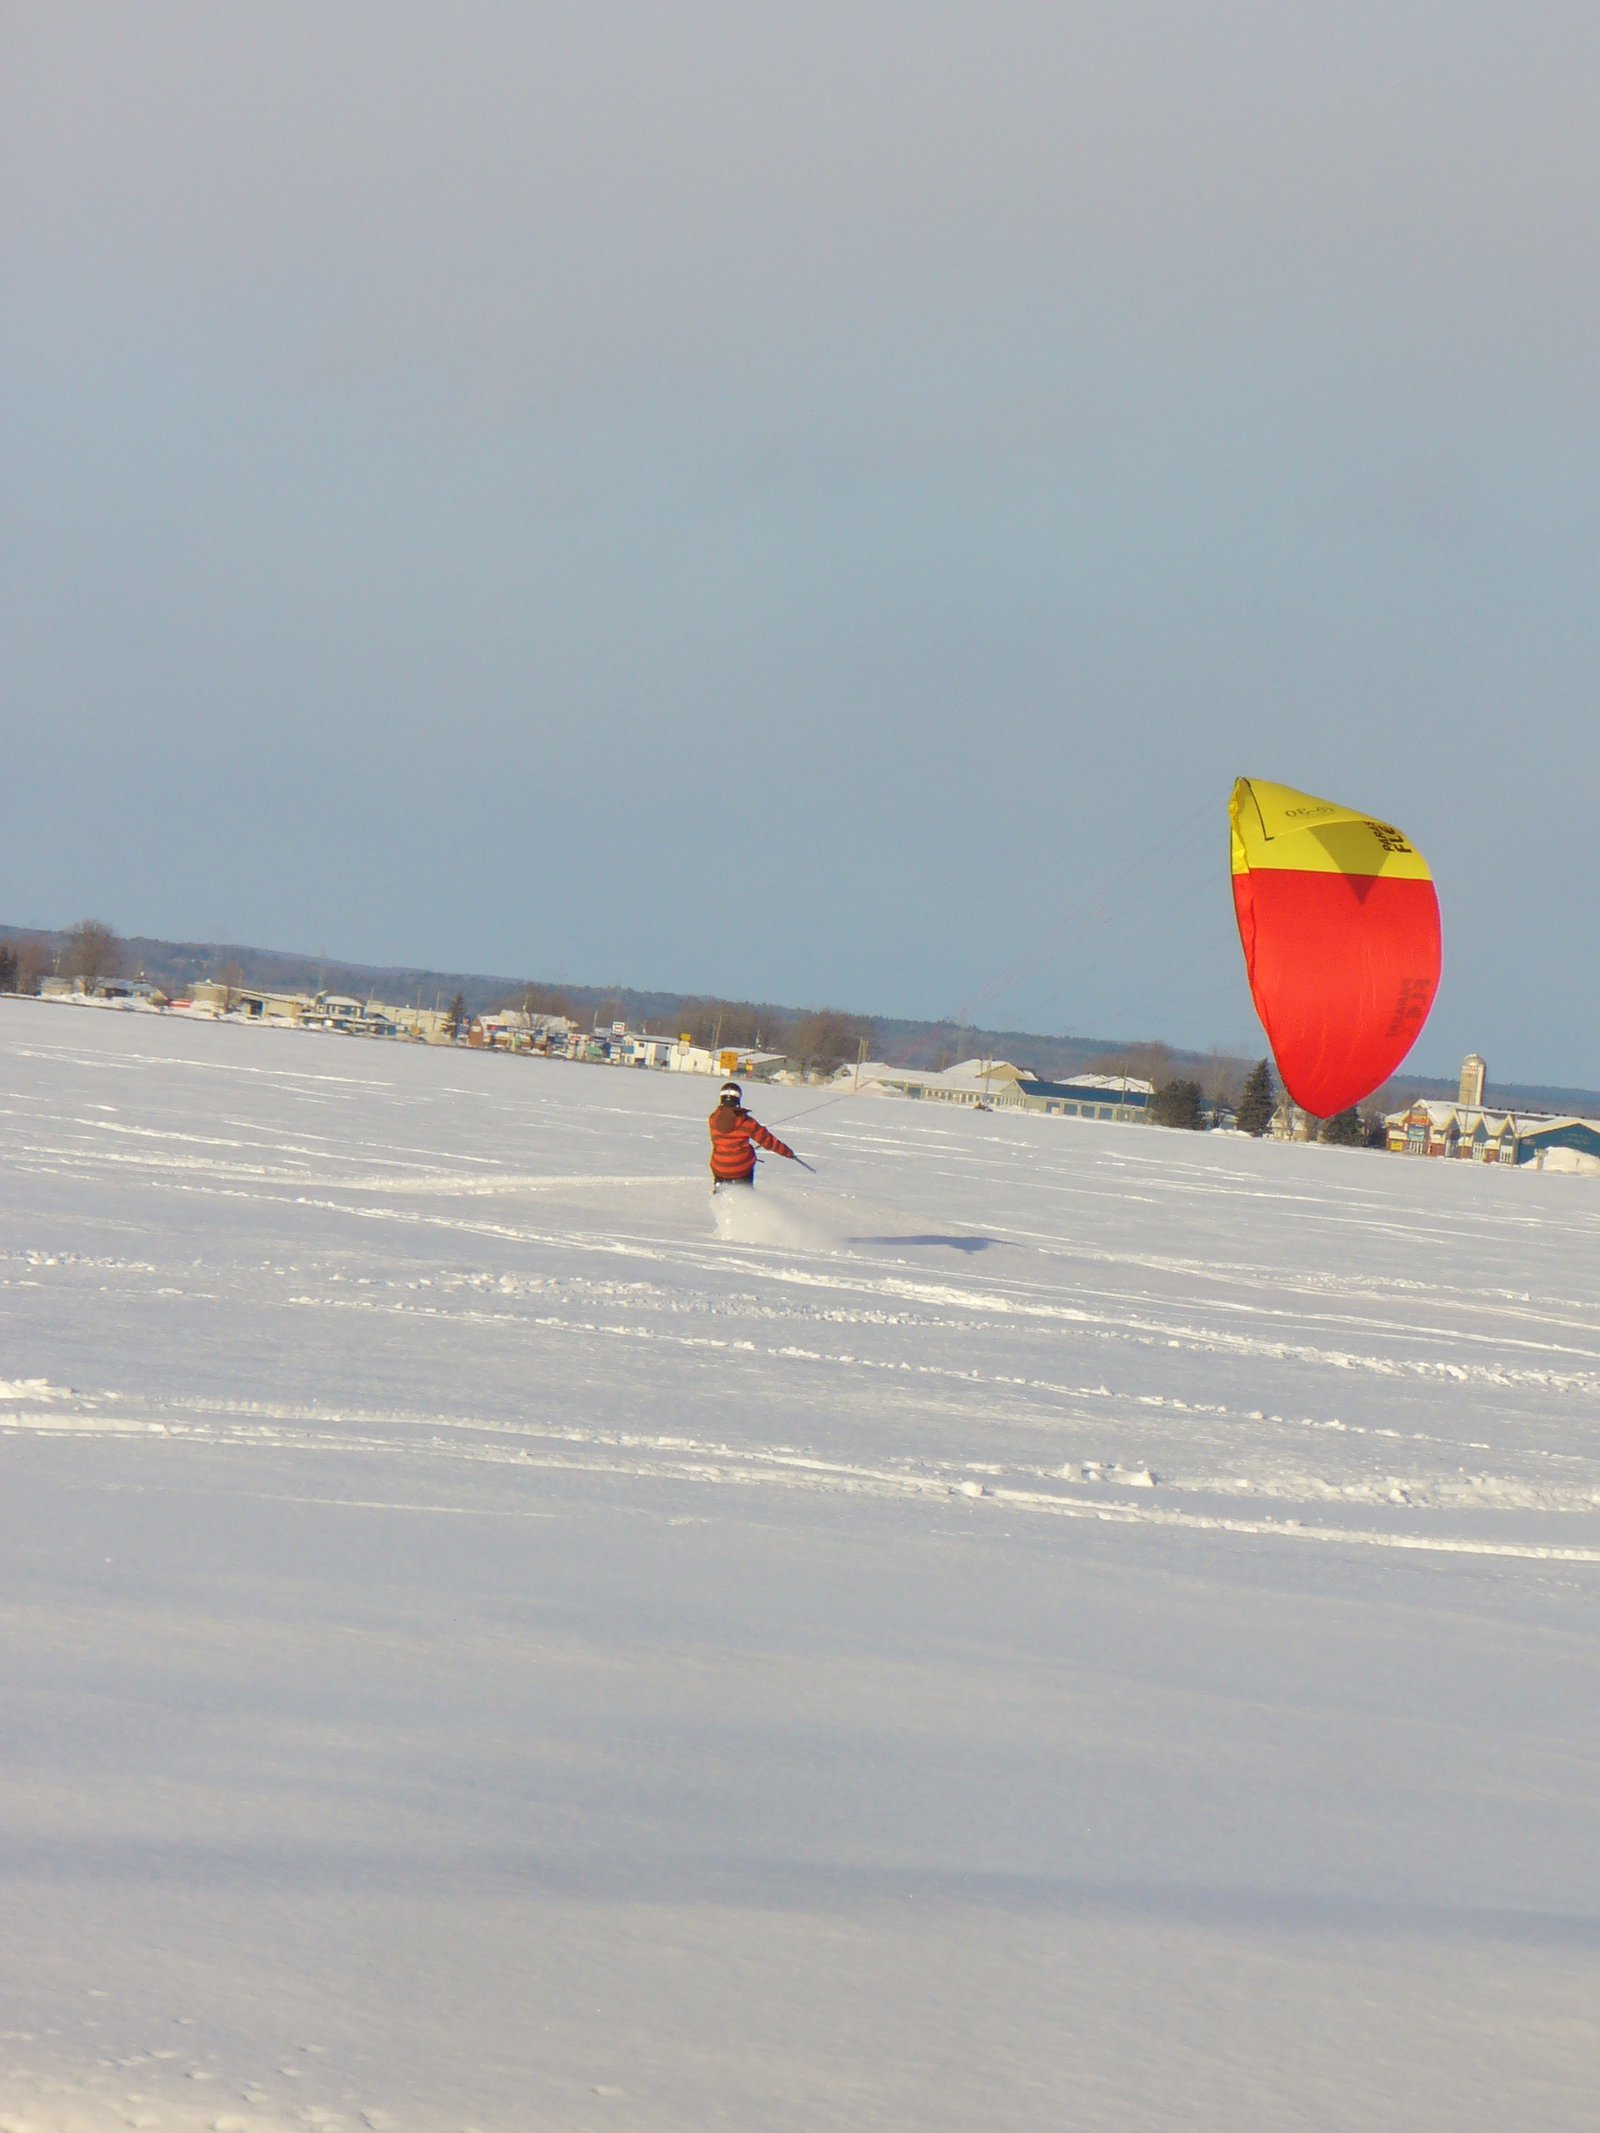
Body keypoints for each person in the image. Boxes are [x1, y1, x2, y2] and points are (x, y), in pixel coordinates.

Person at [708, 1080, 797, 1189]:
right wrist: (788, 1153)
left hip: (719, 1166)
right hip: (742, 1168)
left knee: (721, 1185)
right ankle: (747, 1196)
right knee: (745, 1188)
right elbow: (768, 1141)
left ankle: (719, 1196)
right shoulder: (747, 1122)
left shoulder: (713, 1119)